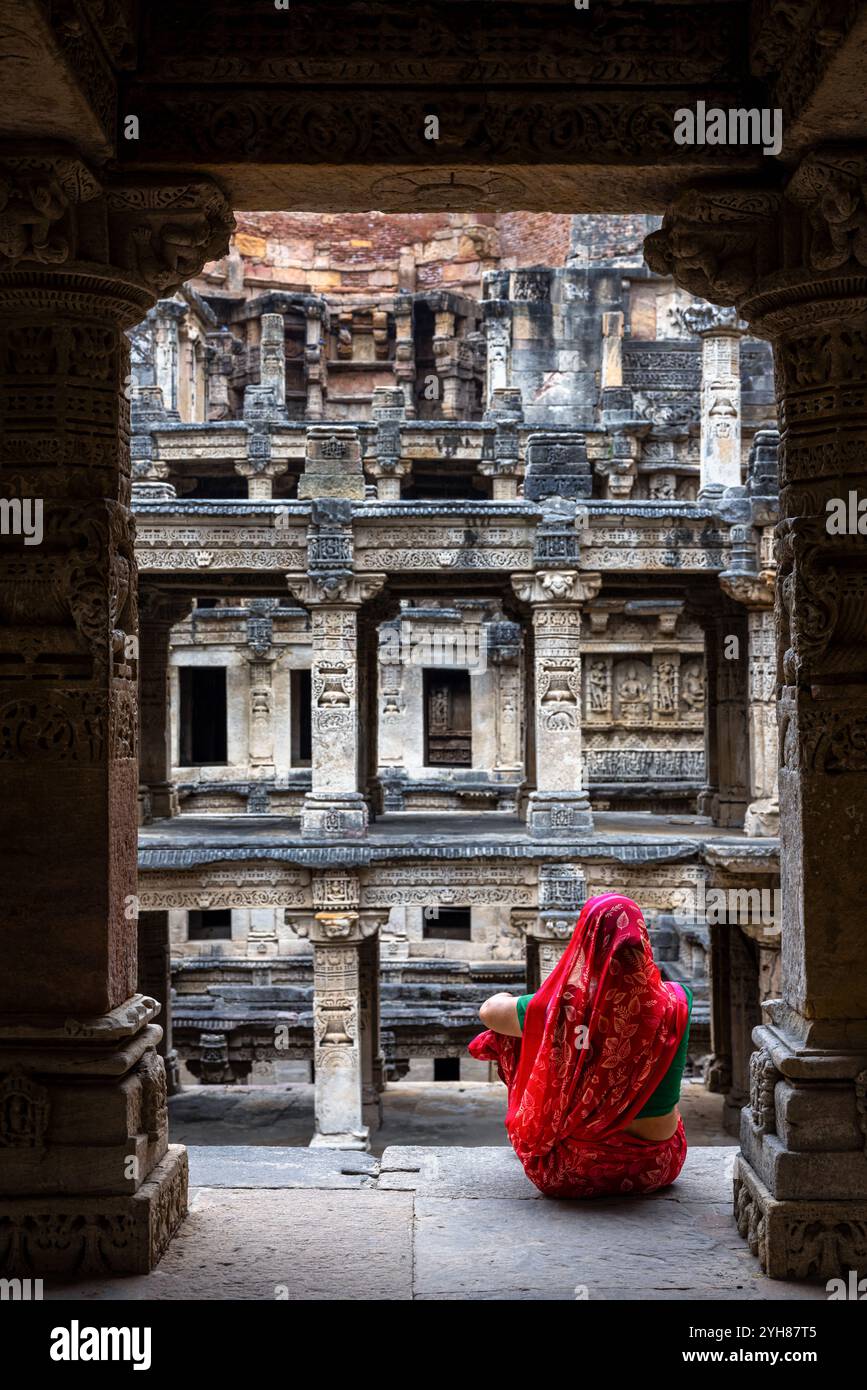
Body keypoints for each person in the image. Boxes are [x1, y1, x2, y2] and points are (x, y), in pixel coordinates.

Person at [470, 892, 692, 1198]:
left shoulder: (564, 1009)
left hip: (574, 1171)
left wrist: (541, 1003)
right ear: (641, 936)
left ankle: (545, 1126)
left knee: (514, 1034)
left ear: (587, 939)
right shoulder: (677, 1001)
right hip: (659, 1165)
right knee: (550, 1029)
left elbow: (489, 1013)